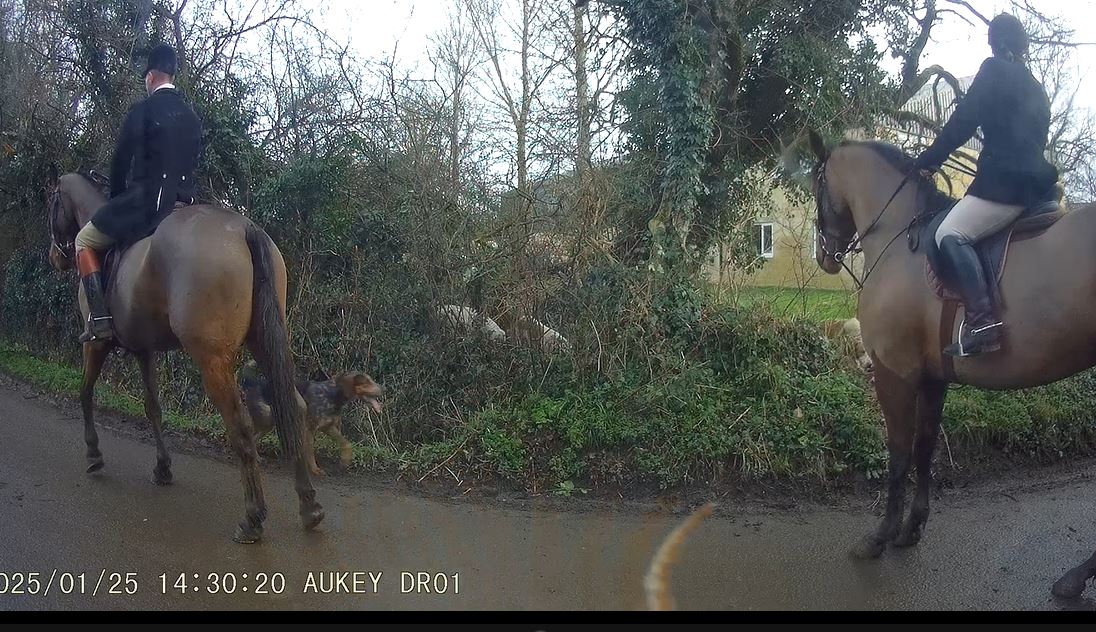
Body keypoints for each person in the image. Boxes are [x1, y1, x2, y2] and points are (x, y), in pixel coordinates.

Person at [914, 13, 1059, 357]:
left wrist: (930, 158)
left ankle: (981, 322)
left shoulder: (992, 71)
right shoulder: (1037, 88)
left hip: (1005, 187)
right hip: (1040, 188)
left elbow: (963, 121)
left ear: (996, 43)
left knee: (949, 234)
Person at [73, 44, 203, 343]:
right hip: (185, 204)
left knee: (83, 240)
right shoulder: (192, 117)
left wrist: (117, 200)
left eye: (146, 76)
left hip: (145, 204)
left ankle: (101, 321)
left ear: (152, 76)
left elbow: (120, 161)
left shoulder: (143, 110)